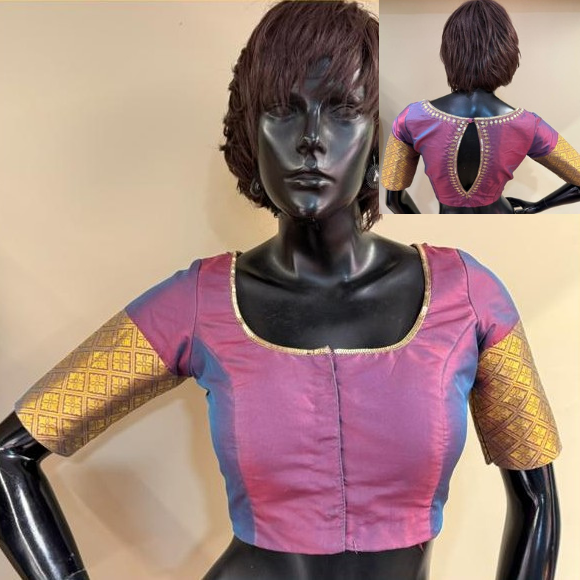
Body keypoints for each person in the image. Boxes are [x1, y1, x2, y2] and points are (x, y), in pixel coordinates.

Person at [0, 2, 562, 579]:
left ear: (377, 138)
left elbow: (537, 501)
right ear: (253, 132)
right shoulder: (199, 302)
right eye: (283, 111)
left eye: (343, 110)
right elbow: (8, 456)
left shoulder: (467, 297)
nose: (311, 139)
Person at [382, 0, 580, 214]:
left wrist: (424, 227)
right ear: (507, 53)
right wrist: (537, 206)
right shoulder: (528, 125)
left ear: (450, 52)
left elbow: (394, 200)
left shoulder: (411, 119)